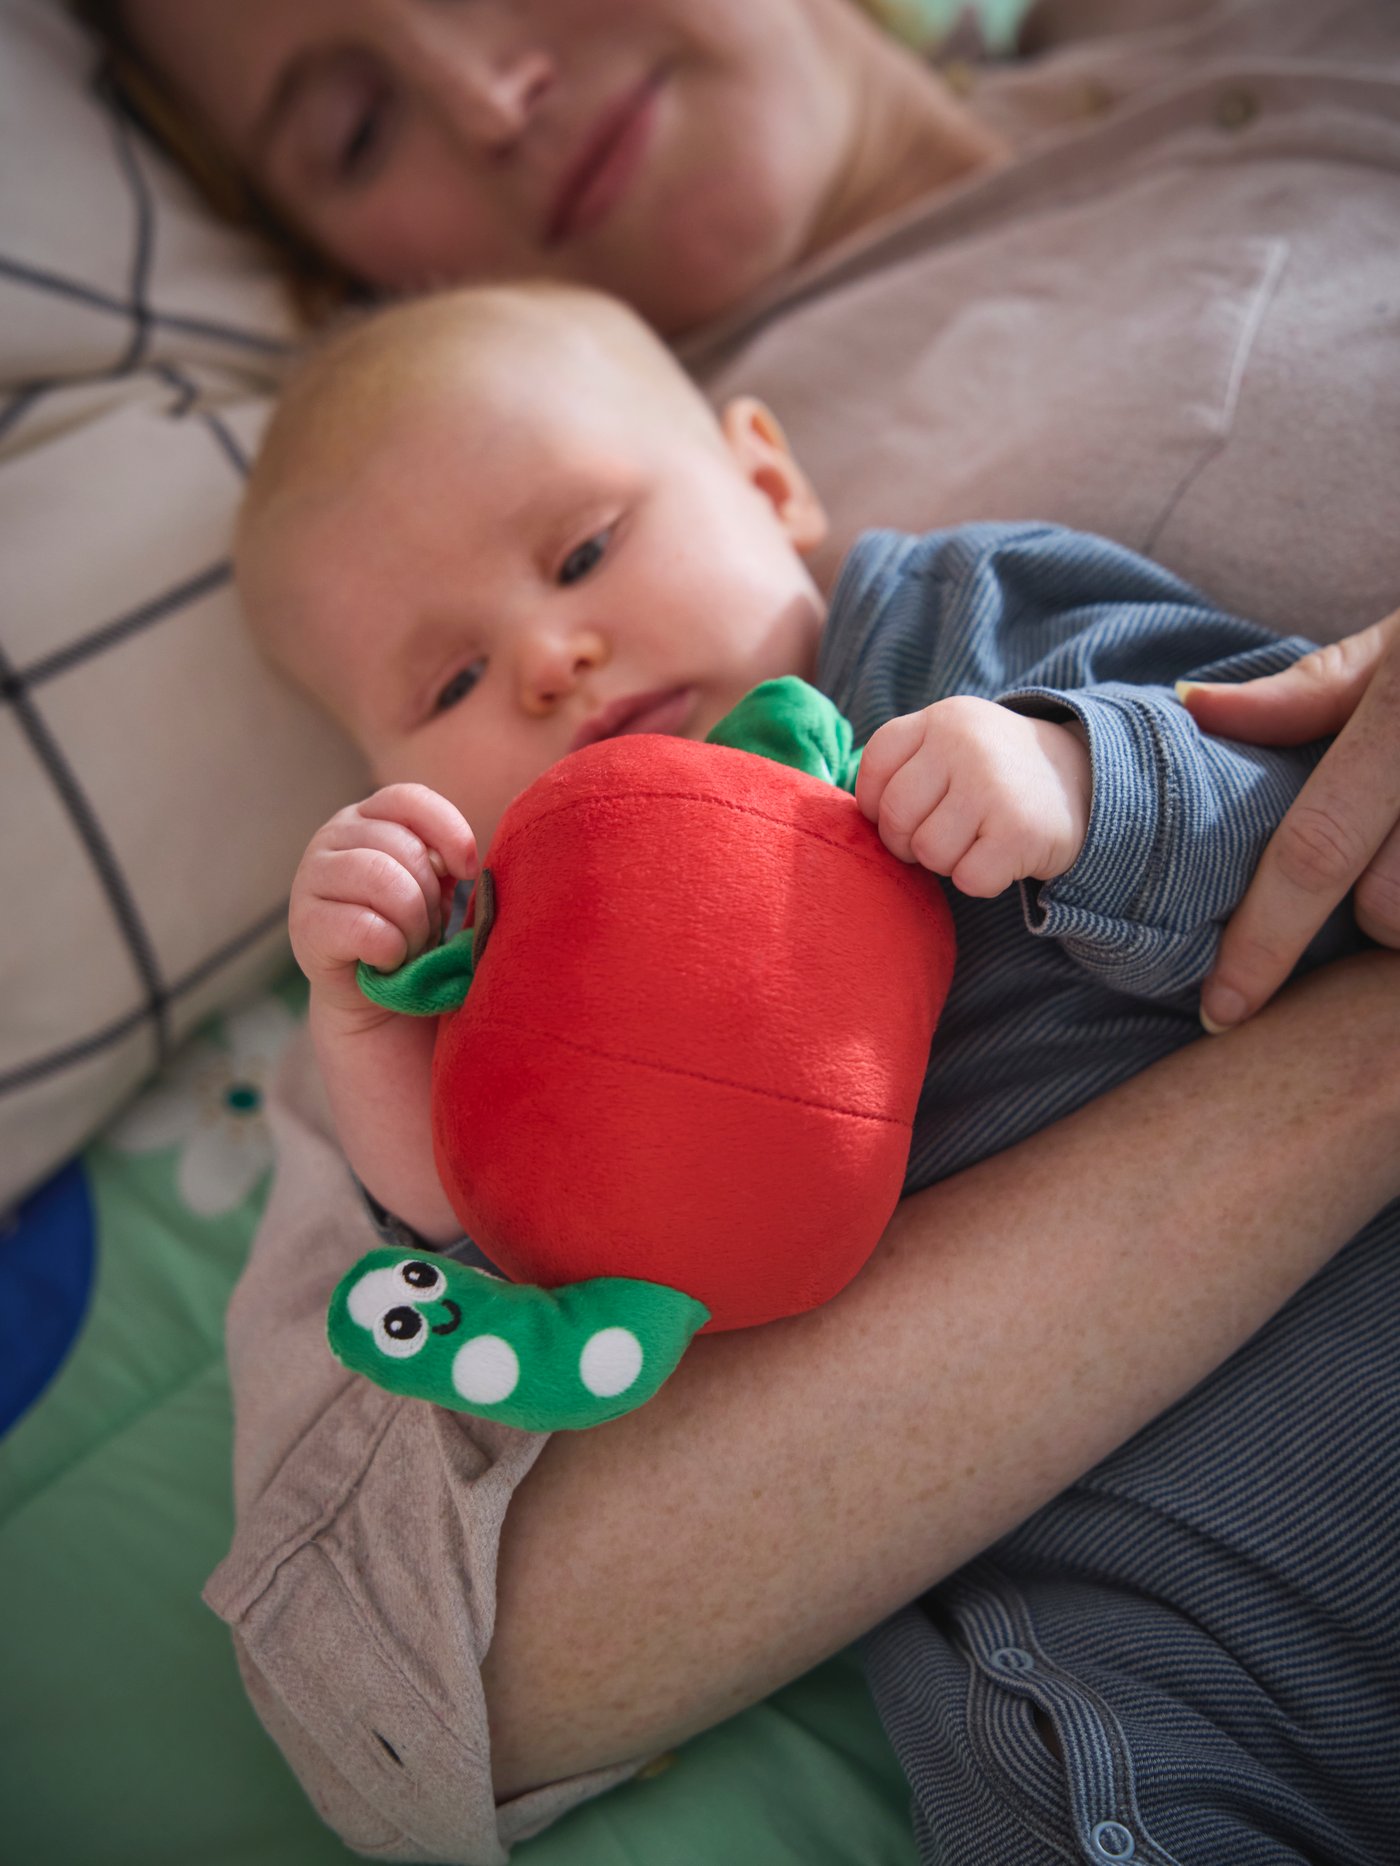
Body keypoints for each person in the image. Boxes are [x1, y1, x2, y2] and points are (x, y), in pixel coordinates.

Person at [74, 0, 1400, 1856]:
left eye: (586, 555)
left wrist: (1083, 787)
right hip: (1141, 1660)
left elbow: (1255, 772)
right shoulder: (497, 934)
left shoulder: (949, 628)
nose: (551, 658)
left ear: (771, 486)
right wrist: (390, 1074)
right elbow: (472, 1359)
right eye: (452, 676)